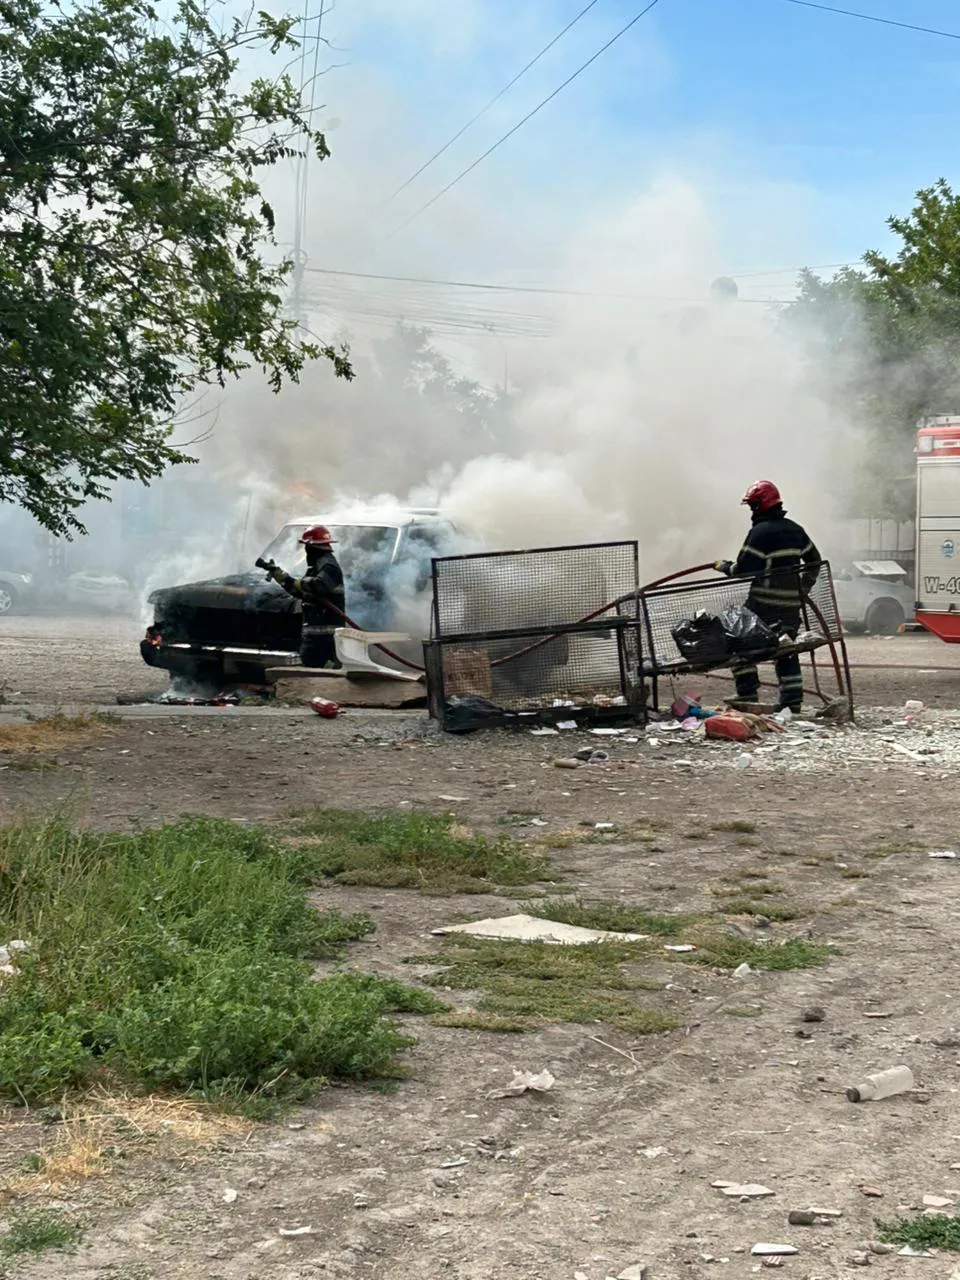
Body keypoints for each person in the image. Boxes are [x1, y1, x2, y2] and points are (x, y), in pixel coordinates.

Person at [714, 481, 821, 713]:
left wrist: (725, 566)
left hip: (763, 605)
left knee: (733, 636)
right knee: (785, 648)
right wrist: (803, 587)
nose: (752, 511)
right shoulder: (796, 530)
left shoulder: (759, 533)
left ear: (762, 505)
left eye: (753, 506)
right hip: (791, 605)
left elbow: (744, 570)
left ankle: (747, 692)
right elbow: (815, 561)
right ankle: (792, 702)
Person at [266, 525, 345, 669]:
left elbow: (316, 586)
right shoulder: (317, 567)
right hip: (314, 637)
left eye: (306, 547)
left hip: (326, 638)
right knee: (312, 671)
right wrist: (282, 579)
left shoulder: (328, 565)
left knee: (320, 674)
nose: (306, 550)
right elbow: (304, 593)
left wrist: (295, 581)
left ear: (312, 547)